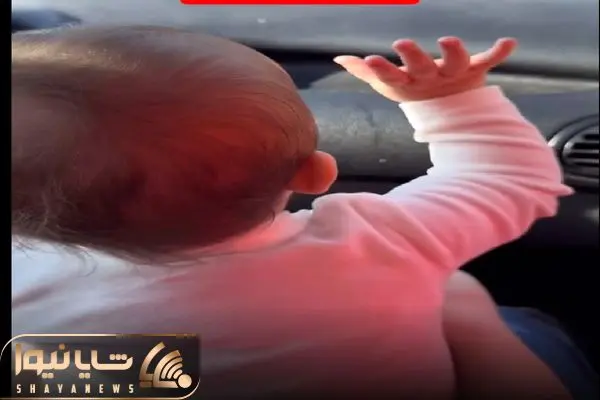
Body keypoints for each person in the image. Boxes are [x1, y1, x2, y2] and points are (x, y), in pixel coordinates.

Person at [12, 26, 578, 398]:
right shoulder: (383, 243)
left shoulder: (27, 297)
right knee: (467, 300)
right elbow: (509, 178)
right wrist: (451, 102)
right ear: (315, 173)